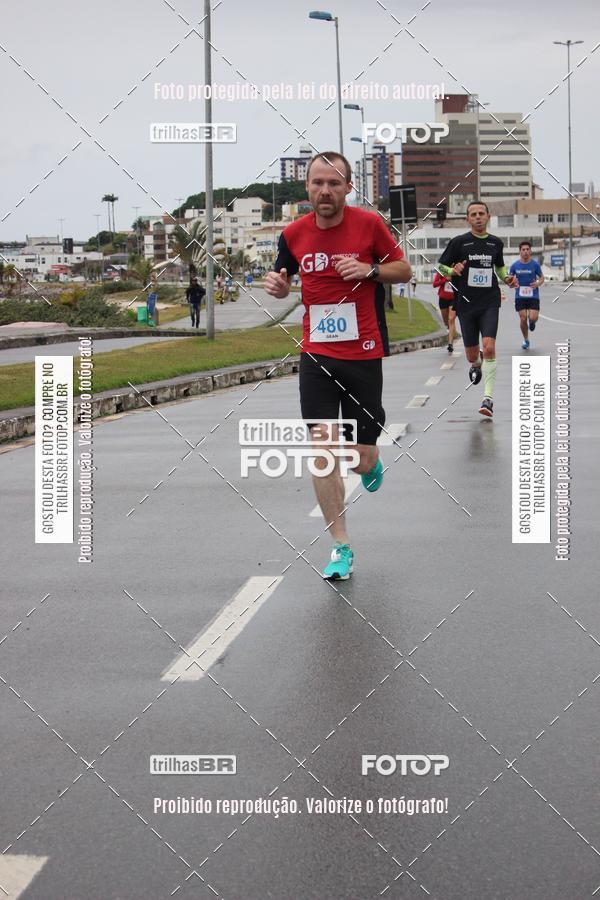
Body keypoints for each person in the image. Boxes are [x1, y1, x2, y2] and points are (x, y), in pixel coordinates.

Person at [264, 151, 411, 580]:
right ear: (307, 188)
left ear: (348, 187)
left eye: (334, 182)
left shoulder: (368, 225)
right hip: (317, 355)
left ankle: (371, 462)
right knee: (323, 448)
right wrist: (276, 286)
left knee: (361, 459)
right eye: (317, 183)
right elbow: (282, 277)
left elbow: (403, 269)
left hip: (363, 354)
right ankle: (340, 546)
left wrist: (369, 271)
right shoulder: (292, 234)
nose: (325, 190)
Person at [437, 201, 518, 419]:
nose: (478, 217)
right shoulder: (459, 243)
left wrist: (507, 278)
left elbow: (499, 268)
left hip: (489, 301)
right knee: (472, 355)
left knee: (489, 346)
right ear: (468, 219)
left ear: (488, 216)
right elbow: (440, 266)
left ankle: (488, 399)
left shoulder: (495, 244)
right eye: (474, 214)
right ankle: (478, 362)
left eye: (481, 213)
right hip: (465, 303)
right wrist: (452, 270)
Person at [509, 241, 545, 350]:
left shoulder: (535, 265)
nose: (525, 252)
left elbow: (542, 277)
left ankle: (532, 322)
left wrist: (538, 283)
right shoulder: (515, 265)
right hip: (520, 296)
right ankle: (526, 340)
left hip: (533, 295)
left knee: (533, 317)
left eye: (527, 249)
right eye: (523, 250)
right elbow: (509, 279)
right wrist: (512, 283)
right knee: (523, 318)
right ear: (520, 251)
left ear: (530, 251)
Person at [432, 270, 457, 353]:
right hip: (443, 299)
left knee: (451, 319)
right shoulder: (442, 270)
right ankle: (451, 331)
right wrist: (445, 280)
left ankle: (450, 344)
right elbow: (434, 284)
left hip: (454, 299)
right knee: (447, 322)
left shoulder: (458, 269)